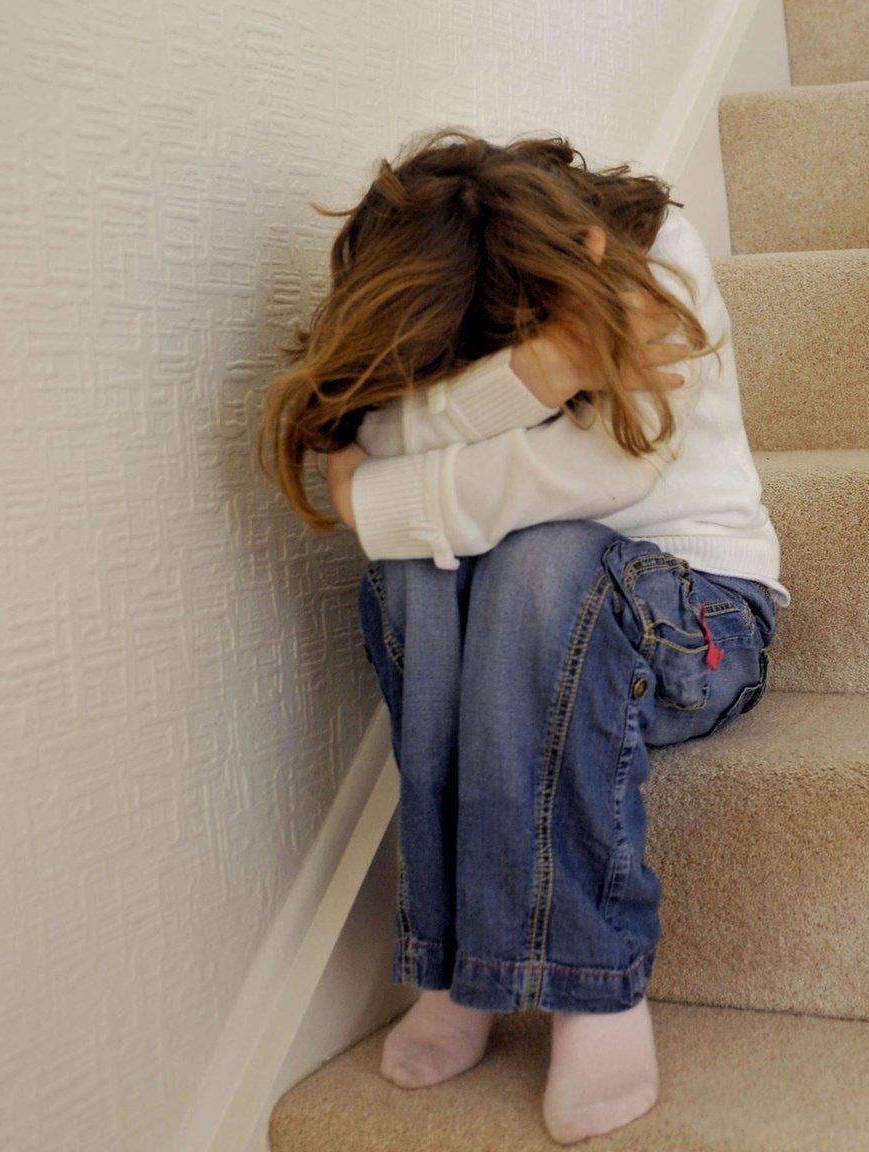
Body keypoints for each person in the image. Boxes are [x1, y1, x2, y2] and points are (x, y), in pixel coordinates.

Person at [257, 128, 786, 1144]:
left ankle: (594, 986)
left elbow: (602, 474)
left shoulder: (654, 260)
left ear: (583, 249)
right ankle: (465, 969)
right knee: (423, 573)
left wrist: (381, 498)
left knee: (543, 557)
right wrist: (537, 374)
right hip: (519, 637)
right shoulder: (450, 281)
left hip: (697, 623)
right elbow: (364, 429)